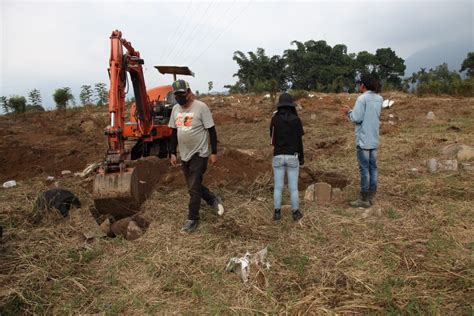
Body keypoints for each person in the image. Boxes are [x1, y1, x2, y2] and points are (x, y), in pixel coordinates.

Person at [168, 79, 224, 233]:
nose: (179, 97)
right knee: (193, 185)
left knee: (193, 187)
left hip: (200, 153)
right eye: (176, 95)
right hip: (184, 154)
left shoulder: (201, 108)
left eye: (182, 93)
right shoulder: (175, 110)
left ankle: (192, 219)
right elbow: (173, 132)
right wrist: (172, 152)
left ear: (189, 92)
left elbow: (211, 130)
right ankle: (212, 199)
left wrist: (214, 152)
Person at [341, 73, 383, 208]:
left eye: (359, 84)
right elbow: (368, 115)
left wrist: (348, 112)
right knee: (373, 168)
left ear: (363, 84)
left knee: (364, 170)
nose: (358, 86)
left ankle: (363, 199)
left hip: (363, 140)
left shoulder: (361, 99)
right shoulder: (379, 99)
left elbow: (356, 118)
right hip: (374, 138)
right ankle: (371, 196)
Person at [270, 93, 304, 221]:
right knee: (293, 188)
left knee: (278, 187)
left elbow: (272, 140)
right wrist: (301, 157)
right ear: (291, 105)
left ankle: (277, 213)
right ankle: (295, 213)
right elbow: (299, 141)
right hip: (292, 156)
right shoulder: (296, 120)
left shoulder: (275, 119)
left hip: (278, 155)